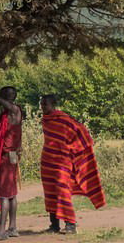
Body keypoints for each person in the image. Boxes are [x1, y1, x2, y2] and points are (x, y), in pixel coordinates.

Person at [39, 93, 106, 234]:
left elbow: (81, 132)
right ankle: (54, 225)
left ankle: (70, 224)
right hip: (48, 162)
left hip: (63, 162)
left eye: (45, 104)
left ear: (53, 105)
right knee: (50, 193)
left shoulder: (64, 120)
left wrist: (73, 149)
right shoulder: (45, 120)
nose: (43, 107)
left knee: (63, 190)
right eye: (42, 104)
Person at [0, 86, 24, 239]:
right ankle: (12, 227)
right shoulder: (8, 114)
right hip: (11, 156)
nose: (1, 100)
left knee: (4, 195)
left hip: (8, 157)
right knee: (11, 194)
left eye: (4, 97)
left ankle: (2, 230)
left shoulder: (14, 110)